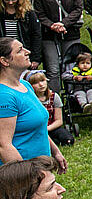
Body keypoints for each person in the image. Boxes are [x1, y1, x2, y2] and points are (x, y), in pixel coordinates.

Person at [0, 38, 65, 171]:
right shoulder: (4, 96)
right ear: (4, 61)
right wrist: (26, 178)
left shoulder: (26, 85)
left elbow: (38, 127)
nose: (27, 52)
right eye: (20, 50)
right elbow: (4, 145)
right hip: (21, 175)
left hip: (40, 168)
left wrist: (55, 152)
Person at [33, 0, 84, 91]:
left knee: (72, 67)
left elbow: (78, 9)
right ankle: (54, 99)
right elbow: (39, 13)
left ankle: (75, 97)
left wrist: (63, 24)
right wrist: (52, 26)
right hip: (49, 35)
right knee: (53, 69)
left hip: (70, 32)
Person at [0, 0, 41, 70]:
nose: (10, 3)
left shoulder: (28, 13)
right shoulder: (1, 12)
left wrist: (35, 58)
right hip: (4, 52)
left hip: (23, 51)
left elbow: (36, 35)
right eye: (6, 0)